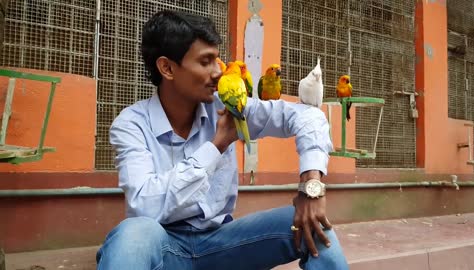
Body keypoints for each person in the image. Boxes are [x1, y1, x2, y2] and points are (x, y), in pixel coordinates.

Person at [96, 10, 349, 270]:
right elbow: (145, 205)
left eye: (217, 60)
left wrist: (312, 185)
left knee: (313, 225)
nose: (219, 72)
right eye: (206, 62)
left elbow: (309, 117)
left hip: (225, 244)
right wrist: (216, 146)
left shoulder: (228, 108)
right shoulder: (132, 124)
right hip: (164, 247)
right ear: (167, 68)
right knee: (130, 236)